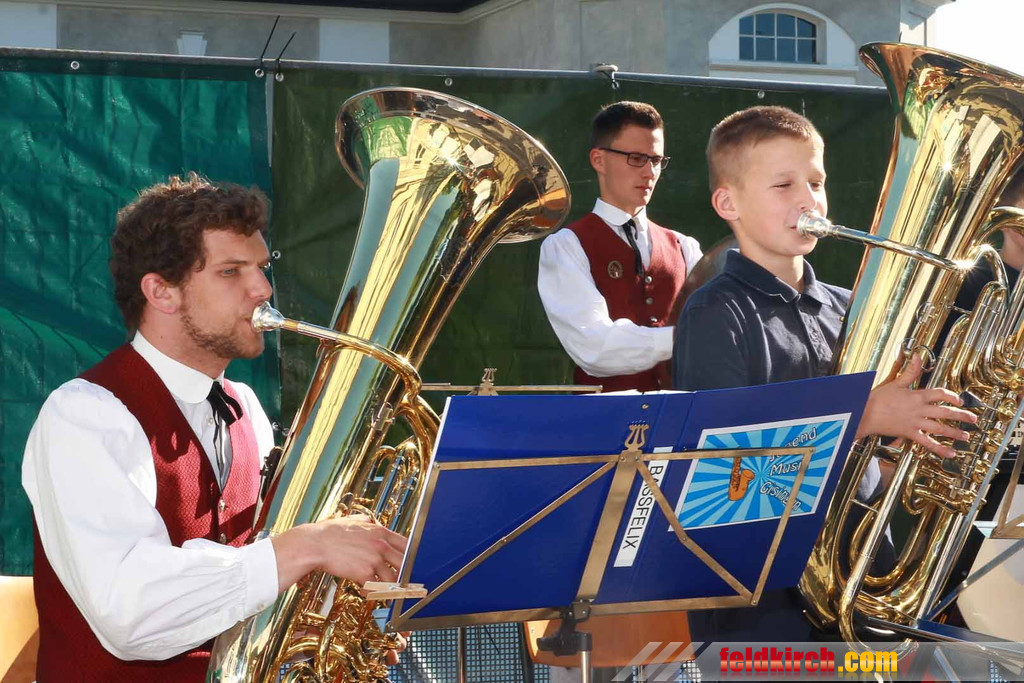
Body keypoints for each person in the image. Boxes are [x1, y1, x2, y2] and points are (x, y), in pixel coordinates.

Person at [22, 173, 407, 681]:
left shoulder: (245, 406)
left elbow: (261, 583)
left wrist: (340, 624)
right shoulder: (84, 415)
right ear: (162, 292)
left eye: (262, 268)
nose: (262, 289)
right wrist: (308, 546)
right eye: (231, 272)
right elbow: (130, 613)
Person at [671, 105, 977, 642]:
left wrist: (916, 440)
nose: (808, 200)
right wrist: (864, 416)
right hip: (761, 606)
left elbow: (873, 458)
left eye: (816, 182)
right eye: (783, 184)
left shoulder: (849, 307)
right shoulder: (715, 311)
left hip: (862, 576)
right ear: (728, 203)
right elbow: (724, 473)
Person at [538, 100, 702, 393]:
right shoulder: (566, 246)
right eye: (637, 158)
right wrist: (683, 338)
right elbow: (594, 347)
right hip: (604, 420)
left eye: (656, 160)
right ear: (598, 160)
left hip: (682, 417)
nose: (650, 172)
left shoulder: (685, 247)